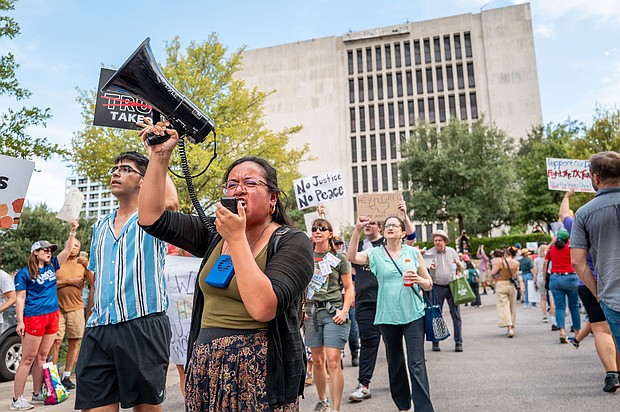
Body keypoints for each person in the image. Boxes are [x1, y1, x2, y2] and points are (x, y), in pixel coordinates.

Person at [137, 120, 314, 411]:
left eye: (250, 183)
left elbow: (263, 307)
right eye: (232, 184)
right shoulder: (213, 233)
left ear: (273, 199)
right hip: (206, 368)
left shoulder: (293, 243)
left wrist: (237, 238)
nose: (238, 190)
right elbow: (152, 217)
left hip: (259, 375)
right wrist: (159, 156)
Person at [74, 151, 178, 411]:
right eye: (115, 169)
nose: (116, 173)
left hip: (142, 325)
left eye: (126, 169)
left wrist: (157, 152)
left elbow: (171, 202)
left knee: (146, 408)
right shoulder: (99, 226)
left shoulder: (153, 220)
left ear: (144, 180)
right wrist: (90, 322)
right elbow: (96, 282)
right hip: (99, 329)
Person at [348, 215, 434, 412]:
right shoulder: (375, 254)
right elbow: (351, 257)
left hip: (413, 314)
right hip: (387, 315)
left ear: (403, 233)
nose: (390, 227)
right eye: (387, 225)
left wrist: (420, 281)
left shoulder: (413, 253)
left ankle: (424, 409)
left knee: (416, 363)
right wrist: (357, 230)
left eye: (395, 225)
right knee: (395, 363)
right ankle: (403, 406)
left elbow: (429, 282)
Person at [11, 223, 78, 412]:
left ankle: (37, 393)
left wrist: (72, 231)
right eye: (45, 250)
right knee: (28, 358)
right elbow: (20, 298)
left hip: (52, 315)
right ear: (35, 252)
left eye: (50, 250)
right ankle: (17, 399)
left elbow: (66, 249)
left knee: (42, 357)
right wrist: (20, 321)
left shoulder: (52, 266)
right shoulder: (24, 273)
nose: (49, 252)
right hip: (34, 317)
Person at [571, 151, 620, 392]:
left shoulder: (584, 213)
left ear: (596, 178)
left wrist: (598, 290)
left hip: (613, 295)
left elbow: (577, 261)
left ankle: (613, 373)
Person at [305, 218, 353, 412]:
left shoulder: (338, 258)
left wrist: (344, 310)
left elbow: (349, 288)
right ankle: (322, 400)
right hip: (312, 313)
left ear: (329, 234)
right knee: (317, 360)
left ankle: (336, 408)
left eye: (322, 229)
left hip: (334, 312)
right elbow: (299, 286)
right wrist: (301, 309)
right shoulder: (305, 256)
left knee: (333, 360)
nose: (318, 231)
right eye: (315, 228)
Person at [49, 238, 94, 390]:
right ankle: (53, 377)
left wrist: (87, 265)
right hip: (57, 308)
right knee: (55, 342)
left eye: (77, 246)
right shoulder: (58, 263)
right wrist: (70, 281)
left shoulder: (82, 264)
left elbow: (94, 282)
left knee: (74, 342)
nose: (74, 248)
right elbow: (49, 282)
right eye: (71, 245)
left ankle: (66, 375)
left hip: (76, 308)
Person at [426, 229, 463, 352]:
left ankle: (458, 342)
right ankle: (435, 342)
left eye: (440, 240)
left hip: (452, 286)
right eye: (435, 240)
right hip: (436, 286)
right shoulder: (429, 253)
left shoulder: (452, 252)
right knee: (435, 315)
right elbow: (423, 270)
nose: (437, 242)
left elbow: (460, 269)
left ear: (445, 241)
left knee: (456, 315)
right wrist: (428, 267)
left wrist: (458, 265)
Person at [543, 229, 581, 343]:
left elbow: (545, 265)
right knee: (574, 306)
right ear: (568, 239)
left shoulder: (551, 250)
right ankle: (577, 332)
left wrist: (545, 279)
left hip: (555, 278)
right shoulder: (571, 248)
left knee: (559, 307)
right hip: (571, 278)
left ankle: (562, 332)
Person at [490, 247, 519, 338]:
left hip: (501, 283)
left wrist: (494, 280)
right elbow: (515, 274)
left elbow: (493, 273)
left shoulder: (501, 262)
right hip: (512, 285)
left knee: (503, 306)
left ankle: (509, 327)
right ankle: (512, 325)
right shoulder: (516, 263)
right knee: (512, 306)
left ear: (507, 253)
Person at [532, 244, 553, 323]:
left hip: (539, 279)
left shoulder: (536, 260)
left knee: (542, 297)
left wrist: (534, 282)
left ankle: (544, 316)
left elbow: (535, 271)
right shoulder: (549, 258)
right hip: (549, 278)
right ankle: (553, 313)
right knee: (551, 297)